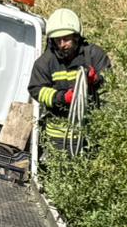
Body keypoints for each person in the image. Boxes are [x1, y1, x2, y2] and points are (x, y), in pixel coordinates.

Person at [28, 8, 111, 155]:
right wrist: (62, 97)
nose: (62, 44)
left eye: (66, 39)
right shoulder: (45, 62)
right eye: (57, 40)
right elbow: (36, 90)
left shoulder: (93, 55)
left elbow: (111, 83)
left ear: (76, 36)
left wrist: (96, 79)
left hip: (92, 133)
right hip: (58, 138)